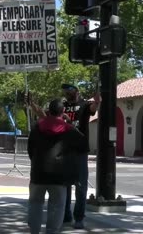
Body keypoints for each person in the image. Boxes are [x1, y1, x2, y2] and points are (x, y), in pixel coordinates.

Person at [27, 98, 88, 234]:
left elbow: (30, 149)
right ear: (63, 112)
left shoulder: (37, 127)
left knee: (35, 204)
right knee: (57, 206)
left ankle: (34, 231)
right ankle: (52, 231)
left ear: (49, 111)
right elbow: (84, 145)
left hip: (38, 173)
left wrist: (36, 162)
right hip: (59, 176)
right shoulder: (69, 129)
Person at [60, 83, 99, 229]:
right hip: (64, 150)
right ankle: (66, 215)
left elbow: (93, 110)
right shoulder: (61, 105)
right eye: (64, 91)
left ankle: (79, 217)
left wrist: (96, 102)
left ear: (76, 91)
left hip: (80, 150)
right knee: (65, 186)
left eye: (69, 90)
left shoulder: (84, 105)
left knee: (81, 186)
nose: (66, 93)